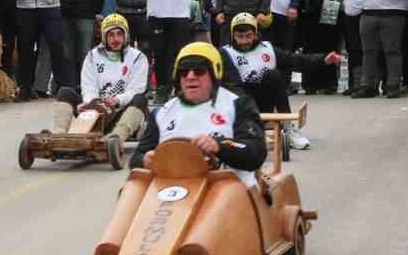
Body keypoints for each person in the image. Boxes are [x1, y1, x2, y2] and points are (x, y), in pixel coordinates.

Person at [129, 42, 268, 188]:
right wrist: (144, 160)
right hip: (173, 191)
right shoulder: (162, 113)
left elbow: (256, 152)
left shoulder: (238, 105)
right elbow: (135, 159)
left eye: (199, 70)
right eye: (184, 71)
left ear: (215, 73)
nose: (190, 76)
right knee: (130, 191)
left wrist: (218, 147)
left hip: (228, 190)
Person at [221, 12, 342, 149]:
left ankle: (288, 128)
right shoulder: (226, 53)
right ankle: (238, 130)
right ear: (232, 36)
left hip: (263, 100)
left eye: (248, 36)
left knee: (274, 75)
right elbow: (229, 85)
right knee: (229, 86)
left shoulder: (267, 49)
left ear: (255, 34)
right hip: (240, 102)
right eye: (239, 37)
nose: (244, 41)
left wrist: (323, 59)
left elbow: (294, 60)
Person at [53, 13, 150, 143]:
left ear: (126, 35)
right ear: (104, 37)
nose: (116, 39)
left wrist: (117, 100)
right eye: (111, 35)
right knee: (65, 92)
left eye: (119, 34)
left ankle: (116, 138)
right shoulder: (92, 56)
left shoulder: (138, 57)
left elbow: (136, 89)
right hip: (95, 113)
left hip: (121, 113)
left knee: (140, 99)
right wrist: (89, 105)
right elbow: (88, 86)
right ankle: (58, 136)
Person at [298, 0, 344, 93]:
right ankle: (310, 84)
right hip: (313, 19)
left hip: (331, 20)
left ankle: (329, 84)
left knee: (330, 50)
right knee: (311, 51)